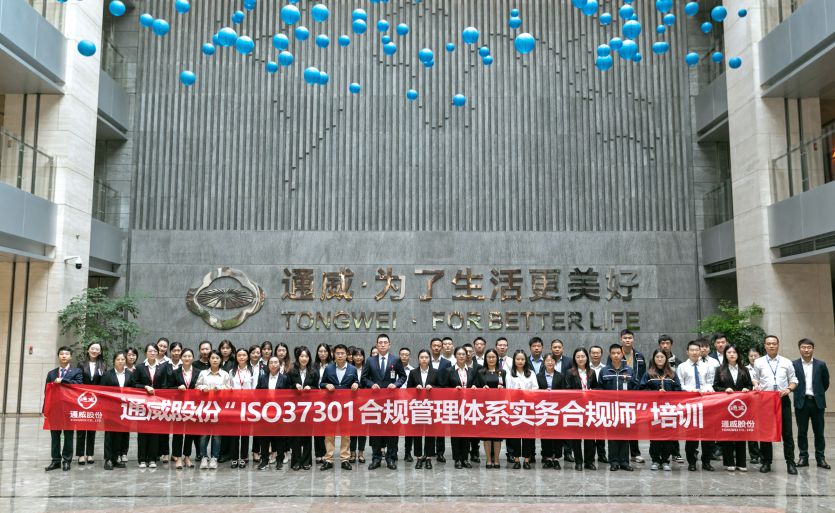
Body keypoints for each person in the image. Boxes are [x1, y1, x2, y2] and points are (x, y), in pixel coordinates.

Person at [751, 334, 798, 475]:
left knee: (787, 433)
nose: (771, 346)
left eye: (774, 343)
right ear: (765, 346)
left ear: (778, 345)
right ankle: (766, 462)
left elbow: (794, 379)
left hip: (782, 400)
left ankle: (790, 462)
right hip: (765, 401)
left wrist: (789, 389)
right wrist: (756, 385)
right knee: (766, 433)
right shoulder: (758, 362)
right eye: (769, 343)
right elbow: (755, 378)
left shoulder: (786, 362)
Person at [361, 333, 406, 470]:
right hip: (375, 402)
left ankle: (391, 458)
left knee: (392, 431)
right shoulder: (370, 360)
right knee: (375, 431)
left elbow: (403, 376)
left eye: (385, 342)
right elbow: (364, 378)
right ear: (376, 345)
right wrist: (371, 384)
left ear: (389, 345)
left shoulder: (395, 359)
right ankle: (376, 458)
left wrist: (396, 384)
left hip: (391, 401)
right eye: (380, 342)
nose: (382, 344)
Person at [676, 340, 716, 472]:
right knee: (691, 436)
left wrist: (706, 390)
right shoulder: (682, 367)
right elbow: (680, 385)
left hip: (706, 403)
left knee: (707, 436)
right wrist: (692, 390)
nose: (694, 352)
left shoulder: (707, 366)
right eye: (691, 350)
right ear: (687, 352)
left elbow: (710, 382)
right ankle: (692, 462)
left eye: (696, 350)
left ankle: (706, 462)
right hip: (690, 404)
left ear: (700, 352)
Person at [319, 344, 360, 470]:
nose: (340, 355)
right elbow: (321, 383)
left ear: (347, 355)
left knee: (346, 434)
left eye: (342, 353)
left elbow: (357, 382)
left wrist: (356, 384)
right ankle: (329, 459)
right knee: (329, 434)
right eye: (337, 353)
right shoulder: (329, 368)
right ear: (334, 355)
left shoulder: (352, 369)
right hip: (331, 406)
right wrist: (326, 385)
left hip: (346, 407)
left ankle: (344, 459)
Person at [640, 349, 681, 471]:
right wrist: (655, 393)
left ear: (666, 359)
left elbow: (678, 390)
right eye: (657, 357)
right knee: (655, 437)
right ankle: (655, 460)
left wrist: (668, 394)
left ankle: (665, 460)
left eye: (662, 357)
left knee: (668, 437)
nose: (660, 359)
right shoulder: (648, 374)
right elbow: (642, 390)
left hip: (669, 410)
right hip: (654, 411)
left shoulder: (672, 374)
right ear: (653, 359)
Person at [713, 344, 753, 472]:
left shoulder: (744, 369)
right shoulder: (720, 370)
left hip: (741, 407)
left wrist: (747, 389)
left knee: (741, 432)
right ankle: (729, 461)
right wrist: (725, 389)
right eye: (729, 352)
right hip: (725, 405)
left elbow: (750, 385)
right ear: (725, 354)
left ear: (738, 354)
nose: (732, 354)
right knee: (727, 432)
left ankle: (741, 462)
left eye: (734, 352)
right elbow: (716, 386)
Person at [793, 338, 830, 470]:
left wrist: (818, 393)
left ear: (813, 349)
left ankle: (821, 458)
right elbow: (791, 381)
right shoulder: (794, 364)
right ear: (799, 349)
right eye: (803, 347)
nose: (806, 350)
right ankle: (803, 457)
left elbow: (825, 383)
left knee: (819, 432)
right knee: (802, 432)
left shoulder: (821, 364)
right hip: (801, 402)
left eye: (809, 347)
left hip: (817, 402)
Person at [44, 346, 83, 471]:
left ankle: (67, 460)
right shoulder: (51, 373)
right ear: (58, 356)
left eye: (66, 354)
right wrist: (45, 409)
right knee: (55, 436)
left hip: (70, 408)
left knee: (68, 435)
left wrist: (63, 380)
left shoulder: (76, 371)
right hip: (55, 409)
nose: (64, 356)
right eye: (61, 354)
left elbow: (79, 385)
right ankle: (55, 461)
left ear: (70, 357)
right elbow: (47, 392)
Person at [133, 342, 170, 469]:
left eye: (155, 351)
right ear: (145, 353)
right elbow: (134, 384)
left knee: (155, 432)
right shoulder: (140, 367)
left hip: (157, 404)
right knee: (142, 433)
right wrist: (145, 387)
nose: (153, 353)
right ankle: (142, 459)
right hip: (143, 405)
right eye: (150, 351)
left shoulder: (162, 368)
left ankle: (153, 459)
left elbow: (165, 385)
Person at [599, 343, 635, 471]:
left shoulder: (629, 370)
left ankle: (624, 461)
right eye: (613, 353)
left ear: (622, 354)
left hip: (625, 408)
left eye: (618, 353)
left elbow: (635, 388)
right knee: (612, 436)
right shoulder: (604, 371)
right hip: (611, 408)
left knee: (625, 435)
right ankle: (614, 461)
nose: (616, 355)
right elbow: (600, 389)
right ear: (610, 355)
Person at [564, 348, 599, 470]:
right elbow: (567, 390)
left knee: (590, 437)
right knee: (576, 437)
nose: (580, 359)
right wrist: (578, 394)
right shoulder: (570, 372)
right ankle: (578, 461)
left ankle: (589, 462)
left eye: (583, 356)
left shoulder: (592, 372)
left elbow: (597, 388)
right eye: (578, 356)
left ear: (587, 358)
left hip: (589, 408)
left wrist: (592, 391)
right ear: (574, 359)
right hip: (576, 408)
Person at [196, 350, 231, 469]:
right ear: (209, 360)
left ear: (221, 360)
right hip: (205, 408)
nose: (215, 360)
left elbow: (229, 389)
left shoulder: (225, 374)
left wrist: (221, 388)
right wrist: (202, 388)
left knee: (217, 435)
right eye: (212, 358)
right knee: (204, 434)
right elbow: (197, 386)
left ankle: (214, 458)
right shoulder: (203, 373)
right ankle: (204, 457)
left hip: (219, 408)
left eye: (217, 358)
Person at [100, 351, 135, 470]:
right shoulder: (107, 374)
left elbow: (135, 390)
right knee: (110, 434)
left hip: (124, 409)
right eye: (118, 359)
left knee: (120, 434)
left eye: (123, 359)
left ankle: (116, 458)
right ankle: (108, 459)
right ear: (114, 361)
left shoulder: (130, 374)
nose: (120, 361)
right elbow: (102, 392)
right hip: (110, 409)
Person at [407, 349, 441, 470]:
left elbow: (441, 388)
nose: (424, 359)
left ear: (429, 359)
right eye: (422, 357)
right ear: (418, 359)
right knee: (417, 433)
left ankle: (429, 458)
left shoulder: (435, 372)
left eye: (426, 357)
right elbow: (408, 389)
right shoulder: (413, 372)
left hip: (431, 407)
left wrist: (433, 387)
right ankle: (419, 457)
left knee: (430, 433)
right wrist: (415, 388)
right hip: (417, 407)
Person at [616, 330, 645, 464]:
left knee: (633, 424)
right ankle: (619, 453)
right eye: (625, 338)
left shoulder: (639, 356)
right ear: (621, 339)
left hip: (634, 393)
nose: (627, 340)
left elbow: (643, 375)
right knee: (619, 424)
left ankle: (635, 453)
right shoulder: (616, 354)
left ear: (633, 339)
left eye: (630, 338)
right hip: (619, 395)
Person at [445, 346, 477, 469]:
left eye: (464, 354)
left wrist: (474, 386)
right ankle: (457, 459)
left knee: (467, 433)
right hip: (454, 406)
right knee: (456, 433)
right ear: (455, 356)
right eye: (459, 354)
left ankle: (465, 458)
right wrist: (453, 390)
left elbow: (476, 383)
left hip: (469, 406)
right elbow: (443, 387)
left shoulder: (472, 371)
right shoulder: (449, 371)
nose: (462, 356)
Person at [506, 349, 538, 469]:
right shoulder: (510, 374)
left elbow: (536, 389)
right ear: (514, 361)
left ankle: (527, 460)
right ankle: (516, 459)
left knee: (528, 435)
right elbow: (507, 391)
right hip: (514, 408)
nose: (520, 361)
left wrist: (525, 392)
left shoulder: (531, 373)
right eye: (518, 359)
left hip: (528, 408)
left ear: (526, 360)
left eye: (522, 359)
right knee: (515, 435)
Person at [474, 349, 506, 469]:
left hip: (498, 407)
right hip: (485, 408)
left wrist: (502, 389)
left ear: (497, 358)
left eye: (493, 357)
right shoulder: (480, 372)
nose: (491, 359)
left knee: (497, 435)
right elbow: (475, 387)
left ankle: (496, 460)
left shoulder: (502, 372)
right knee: (486, 435)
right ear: (485, 359)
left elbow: (507, 389)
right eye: (489, 357)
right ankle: (488, 460)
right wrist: (482, 389)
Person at [257, 355, 290, 471]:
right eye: (271, 362)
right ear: (268, 365)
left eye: (276, 362)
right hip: (265, 412)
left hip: (279, 412)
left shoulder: (284, 378)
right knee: (264, 437)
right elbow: (257, 392)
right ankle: (264, 460)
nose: (273, 365)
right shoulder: (262, 378)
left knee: (279, 437)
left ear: (280, 365)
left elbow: (288, 395)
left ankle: (279, 460)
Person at [76, 341, 106, 466]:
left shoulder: (103, 365)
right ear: (88, 350)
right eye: (92, 348)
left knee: (92, 428)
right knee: (81, 427)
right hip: (83, 399)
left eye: (97, 349)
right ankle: (80, 454)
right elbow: (78, 380)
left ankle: (90, 453)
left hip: (96, 400)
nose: (94, 351)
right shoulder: (81, 364)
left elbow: (104, 383)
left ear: (100, 352)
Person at [287, 346, 317, 470]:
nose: (304, 358)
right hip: (295, 408)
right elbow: (286, 388)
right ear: (298, 357)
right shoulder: (291, 371)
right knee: (296, 436)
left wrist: (311, 388)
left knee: (307, 436)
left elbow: (317, 388)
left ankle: (306, 460)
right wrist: (295, 386)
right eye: (302, 356)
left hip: (309, 408)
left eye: (306, 356)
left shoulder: (314, 371)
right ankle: (296, 461)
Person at [170, 348, 200, 469]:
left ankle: (187, 457)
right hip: (178, 406)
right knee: (177, 433)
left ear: (192, 358)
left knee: (190, 433)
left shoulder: (198, 372)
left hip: (193, 406)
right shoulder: (175, 372)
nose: (187, 358)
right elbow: (167, 388)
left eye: (189, 356)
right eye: (184, 356)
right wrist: (177, 388)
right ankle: (177, 457)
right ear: (181, 358)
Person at [537, 353, 566, 469]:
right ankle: (548, 457)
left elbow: (565, 392)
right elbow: (535, 391)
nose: (550, 362)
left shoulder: (561, 376)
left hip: (557, 409)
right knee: (545, 434)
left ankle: (557, 458)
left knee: (558, 434)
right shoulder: (539, 376)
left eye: (552, 360)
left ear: (555, 362)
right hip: (543, 408)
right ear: (544, 362)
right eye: (547, 360)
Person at [229, 347, 255, 468]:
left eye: (244, 355)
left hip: (248, 405)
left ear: (247, 357)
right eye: (239, 355)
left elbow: (254, 388)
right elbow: (229, 387)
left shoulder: (252, 371)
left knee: (245, 433)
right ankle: (234, 457)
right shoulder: (232, 371)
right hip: (235, 405)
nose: (241, 357)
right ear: (236, 357)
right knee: (234, 433)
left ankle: (244, 457)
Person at [429, 337, 451, 462]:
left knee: (440, 427)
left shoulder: (447, 363)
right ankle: (430, 451)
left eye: (438, 346)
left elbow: (448, 381)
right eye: (434, 345)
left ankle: (440, 453)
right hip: (428, 399)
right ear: (431, 347)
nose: (436, 348)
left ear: (441, 348)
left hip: (441, 399)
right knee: (430, 426)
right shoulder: (425, 360)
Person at [312, 342, 332, 464]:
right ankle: (319, 453)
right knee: (318, 428)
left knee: (327, 428)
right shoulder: (313, 366)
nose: (323, 353)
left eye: (325, 351)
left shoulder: (333, 365)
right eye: (320, 351)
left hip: (329, 400)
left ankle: (327, 453)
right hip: (316, 400)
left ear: (328, 353)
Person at [589, 345, 608, 464]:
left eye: (598, 353)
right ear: (590, 354)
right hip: (588, 404)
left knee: (601, 430)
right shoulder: (586, 368)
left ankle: (602, 454)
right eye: (593, 353)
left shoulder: (605, 369)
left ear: (601, 354)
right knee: (590, 430)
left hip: (601, 403)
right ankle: (590, 455)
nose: (595, 355)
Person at [349, 347, 368, 464]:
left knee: (362, 429)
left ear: (363, 357)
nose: (358, 357)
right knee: (351, 429)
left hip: (364, 403)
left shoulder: (367, 368)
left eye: (360, 355)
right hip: (351, 403)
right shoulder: (348, 368)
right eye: (356, 355)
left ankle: (361, 453)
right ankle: (352, 453)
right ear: (352, 357)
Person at [121, 346, 139, 462]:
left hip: (133, 403)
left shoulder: (138, 369)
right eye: (129, 355)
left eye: (133, 355)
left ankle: (124, 452)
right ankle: (118, 452)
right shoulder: (120, 368)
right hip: (120, 402)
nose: (131, 357)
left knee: (126, 429)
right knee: (120, 428)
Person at [398, 346, 416, 462]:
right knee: (394, 428)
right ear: (399, 356)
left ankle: (407, 452)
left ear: (410, 357)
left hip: (409, 403)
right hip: (395, 402)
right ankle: (393, 452)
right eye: (402, 354)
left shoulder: (413, 371)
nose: (404, 356)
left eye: (407, 355)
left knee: (409, 430)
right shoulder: (392, 369)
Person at [746, 346, 763, 465]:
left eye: (755, 355)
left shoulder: (764, 367)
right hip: (749, 401)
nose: (753, 358)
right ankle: (754, 455)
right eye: (751, 356)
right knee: (751, 428)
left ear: (759, 356)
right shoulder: (745, 369)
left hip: (763, 400)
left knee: (763, 427)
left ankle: (764, 454)